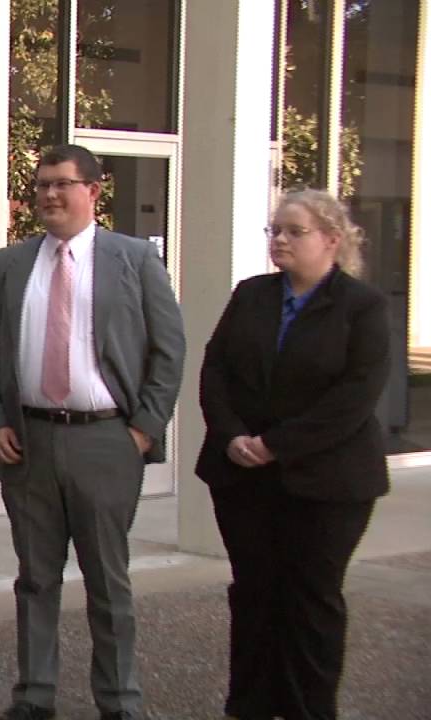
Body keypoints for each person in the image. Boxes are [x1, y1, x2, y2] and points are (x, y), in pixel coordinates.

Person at [0, 144, 185, 720]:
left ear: (94, 191)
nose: (48, 194)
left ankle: (120, 700)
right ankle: (35, 695)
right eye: (41, 184)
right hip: (29, 441)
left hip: (106, 441)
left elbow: (169, 350)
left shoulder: (134, 259)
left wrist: (143, 430)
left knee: (107, 581)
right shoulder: (10, 264)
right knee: (36, 579)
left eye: (61, 184)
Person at [196, 189, 389, 720]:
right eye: (275, 231)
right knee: (255, 595)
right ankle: (251, 706)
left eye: (293, 231)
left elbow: (355, 396)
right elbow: (216, 371)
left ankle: (308, 709)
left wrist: (277, 445)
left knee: (311, 599)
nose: (279, 240)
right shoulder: (251, 295)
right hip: (244, 480)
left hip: (328, 484)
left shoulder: (362, 307)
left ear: (331, 240)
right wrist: (232, 435)